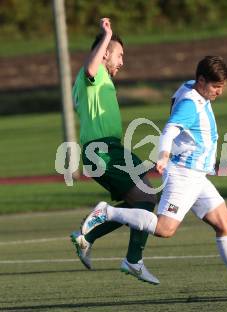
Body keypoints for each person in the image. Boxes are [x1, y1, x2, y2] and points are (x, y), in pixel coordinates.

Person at [79, 56, 227, 287]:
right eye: (216, 87)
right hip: (184, 173)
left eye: (222, 87)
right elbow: (169, 130)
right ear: (201, 80)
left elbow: (176, 105)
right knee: (164, 229)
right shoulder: (190, 104)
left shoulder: (190, 87)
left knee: (225, 224)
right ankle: (107, 212)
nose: (219, 92)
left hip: (197, 175)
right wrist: (163, 155)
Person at [69, 18, 159, 285]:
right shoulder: (93, 78)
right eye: (119, 55)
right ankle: (133, 260)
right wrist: (106, 35)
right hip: (104, 151)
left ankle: (89, 236)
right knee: (147, 201)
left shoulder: (101, 81)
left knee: (141, 203)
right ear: (105, 52)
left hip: (111, 150)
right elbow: (90, 67)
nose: (122, 61)